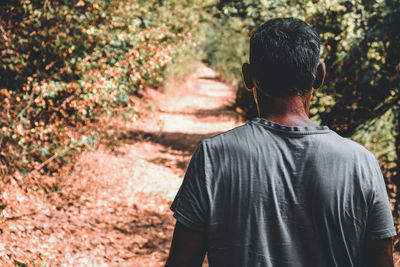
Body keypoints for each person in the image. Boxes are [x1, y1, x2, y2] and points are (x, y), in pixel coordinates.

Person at [164, 18, 397, 267]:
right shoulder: (361, 162)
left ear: (248, 76)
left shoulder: (213, 157)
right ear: (319, 75)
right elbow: (382, 258)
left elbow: (182, 261)